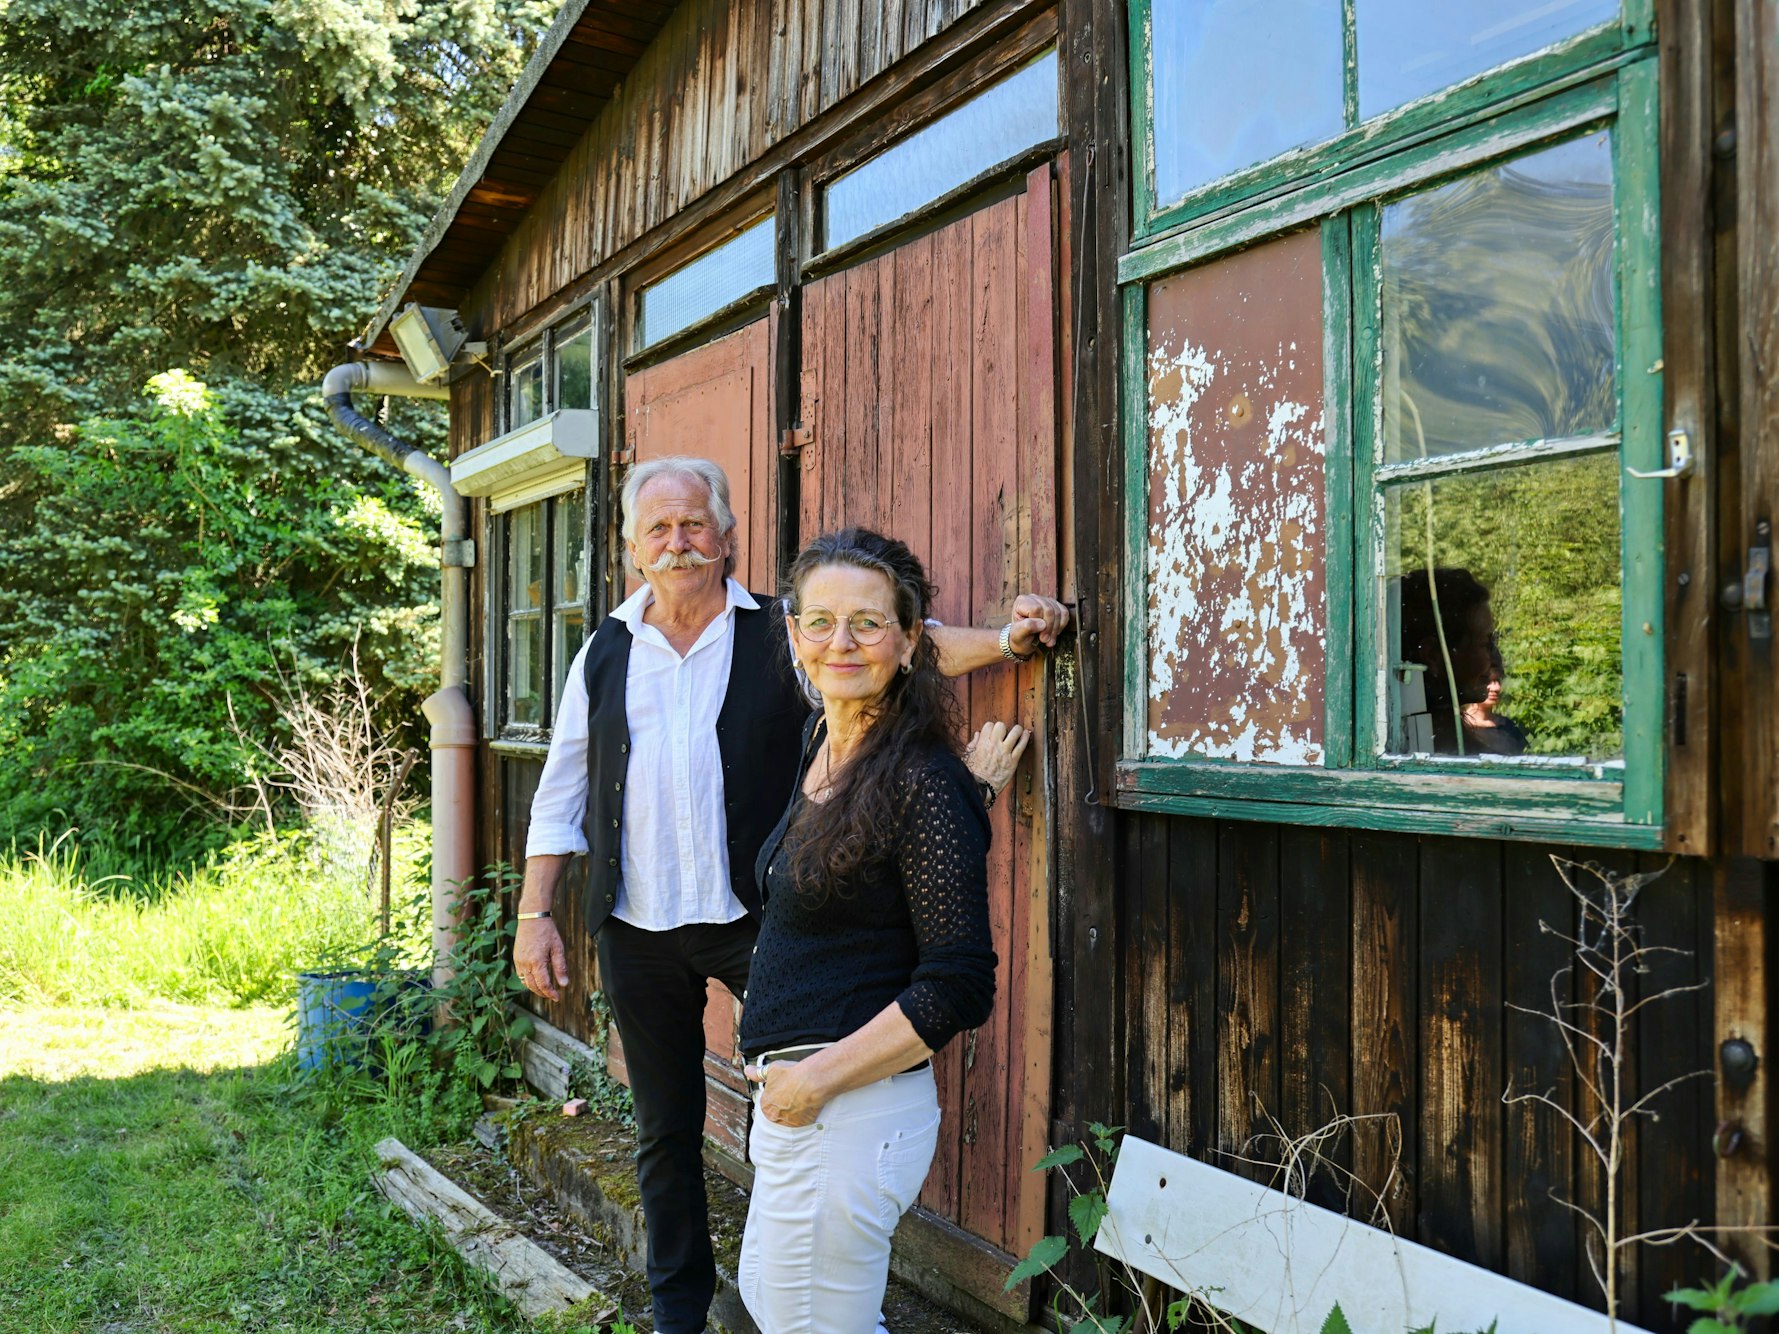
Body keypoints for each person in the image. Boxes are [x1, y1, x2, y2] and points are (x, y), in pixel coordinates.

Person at [512, 457, 1068, 1334]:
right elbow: (562, 787)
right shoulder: (607, 651)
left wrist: (1009, 640)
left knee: (807, 1081)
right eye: (657, 528)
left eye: (694, 523)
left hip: (754, 915)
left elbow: (895, 644)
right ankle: (679, 1310)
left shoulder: (783, 630)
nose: (678, 542)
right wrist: (535, 911)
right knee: (666, 1130)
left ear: (727, 537)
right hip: (638, 924)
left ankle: (812, 1225)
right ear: (630, 549)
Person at [737, 528, 996, 1334]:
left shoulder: (922, 780)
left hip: (846, 1110)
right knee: (787, 1314)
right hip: (808, 1110)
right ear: (793, 633)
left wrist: (812, 1082)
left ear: (912, 638)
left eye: (868, 623)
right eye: (818, 621)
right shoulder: (829, 745)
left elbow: (957, 984)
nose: (839, 643)